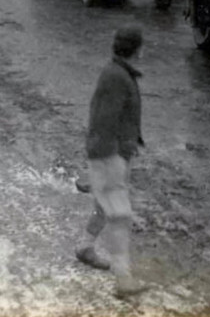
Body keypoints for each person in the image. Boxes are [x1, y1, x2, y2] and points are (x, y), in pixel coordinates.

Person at [76, 26, 148, 299]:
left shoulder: (117, 73)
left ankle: (84, 247)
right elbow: (103, 123)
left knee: (103, 207)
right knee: (120, 215)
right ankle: (124, 279)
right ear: (137, 49)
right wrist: (107, 163)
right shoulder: (116, 77)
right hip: (110, 155)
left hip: (112, 154)